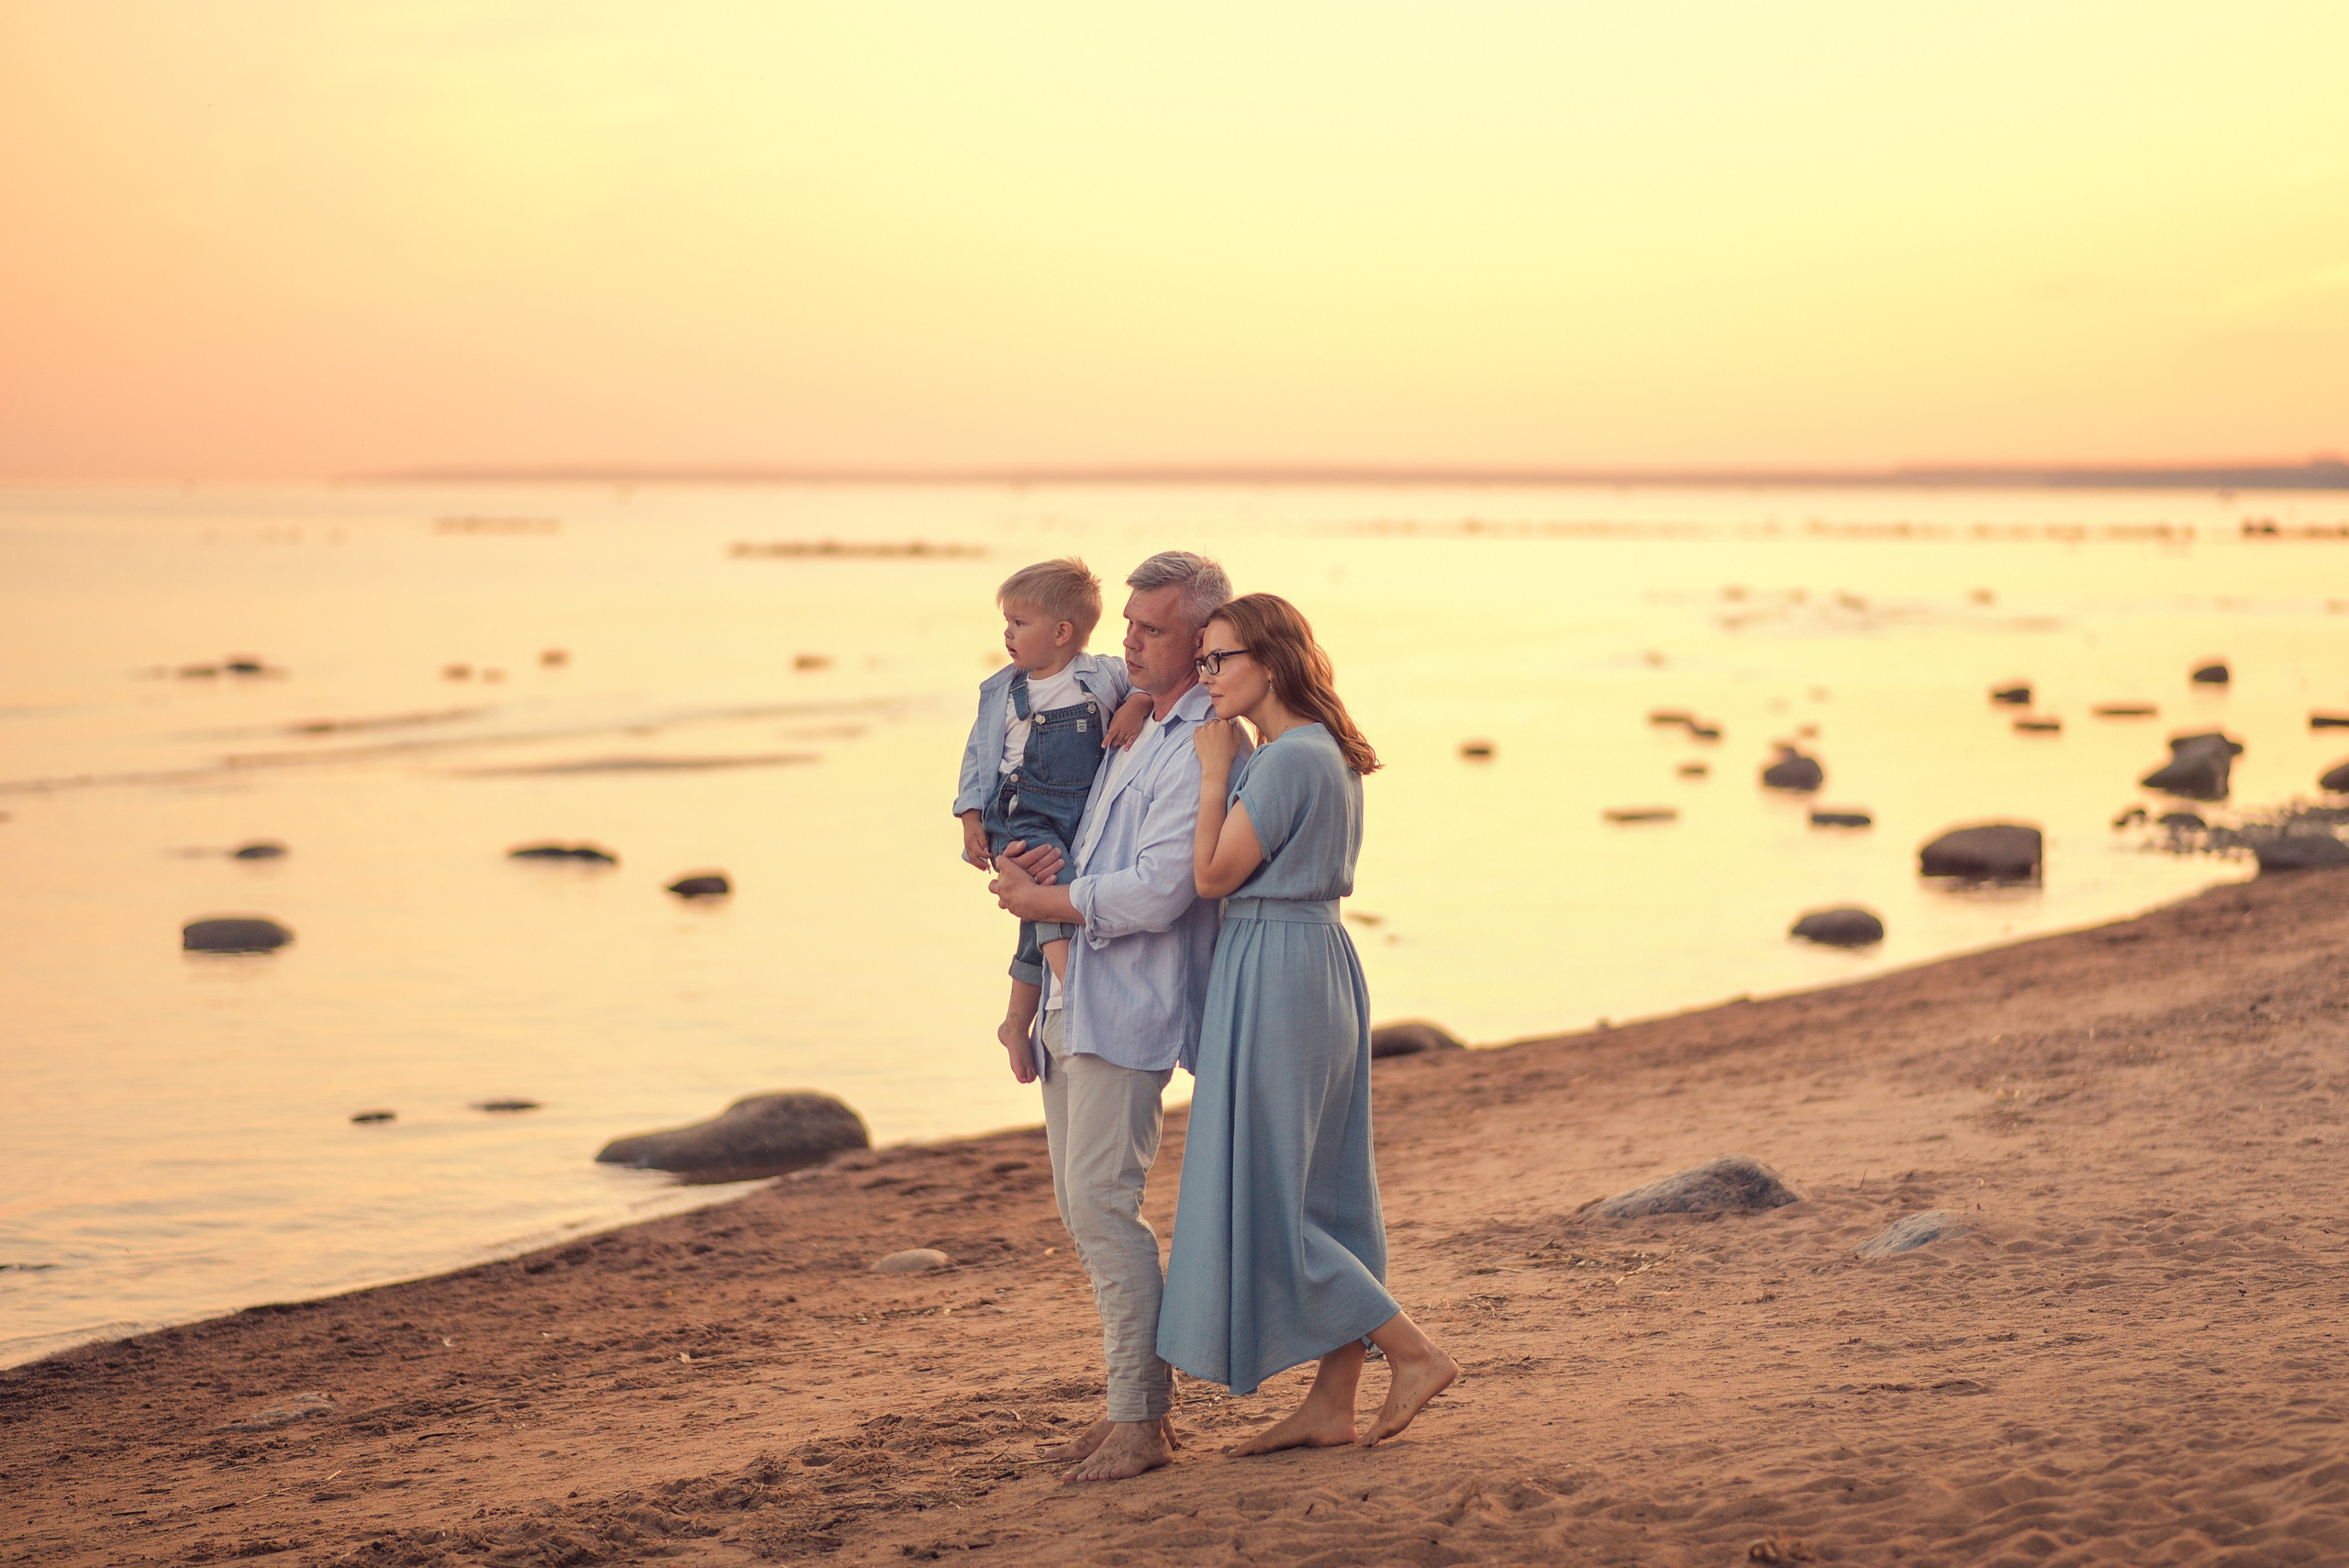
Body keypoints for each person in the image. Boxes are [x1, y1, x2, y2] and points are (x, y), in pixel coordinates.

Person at [1157, 592, 1458, 1452]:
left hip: (1277, 970)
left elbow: (1213, 874)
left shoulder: (1286, 760)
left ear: (1272, 662)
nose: (1204, 675)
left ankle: (1414, 1351)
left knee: (1272, 1195)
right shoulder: (1317, 750)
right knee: (1325, 1189)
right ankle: (1332, 1401)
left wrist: (1216, 770)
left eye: (1219, 660)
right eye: (1203, 660)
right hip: (1312, 960)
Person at [985, 550, 1233, 1483]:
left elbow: (1164, 889)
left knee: (1103, 1208)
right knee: (1083, 1210)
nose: (1126, 641)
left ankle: (1140, 1416)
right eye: (1126, 623)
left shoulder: (1207, 738)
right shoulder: (1133, 718)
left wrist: (1048, 903)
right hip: (1067, 995)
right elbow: (1056, 820)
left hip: (1128, 1007)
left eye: (1152, 628)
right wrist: (1022, 992)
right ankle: (1132, 1409)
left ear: (1201, 636)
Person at [954, 559, 1153, 1082]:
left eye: (1020, 623)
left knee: (1035, 920)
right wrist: (971, 817)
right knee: (1052, 891)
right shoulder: (1003, 691)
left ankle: (1016, 1022)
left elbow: (1145, 685)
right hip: (1020, 814)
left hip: (1076, 819)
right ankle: (1078, 993)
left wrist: (1137, 705)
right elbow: (978, 757)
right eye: (1008, 622)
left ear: (1063, 632)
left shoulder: (1102, 675)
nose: (1007, 633)